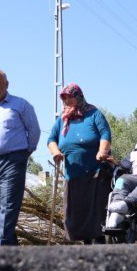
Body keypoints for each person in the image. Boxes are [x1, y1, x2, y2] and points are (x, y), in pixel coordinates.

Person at [0, 69, 40, 246]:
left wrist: (25, 152)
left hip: (13, 161)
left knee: (9, 207)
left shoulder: (21, 105)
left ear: (6, 84)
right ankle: (12, 255)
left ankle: (0, 253)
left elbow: (33, 130)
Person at [48, 83, 113, 244]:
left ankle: (100, 245)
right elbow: (51, 139)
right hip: (73, 174)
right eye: (64, 99)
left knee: (96, 211)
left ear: (78, 97)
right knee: (76, 213)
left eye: (69, 98)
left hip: (96, 171)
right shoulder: (62, 119)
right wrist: (56, 152)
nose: (66, 102)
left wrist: (102, 150)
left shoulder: (93, 113)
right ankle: (85, 245)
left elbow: (105, 133)